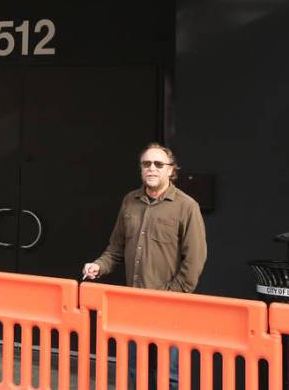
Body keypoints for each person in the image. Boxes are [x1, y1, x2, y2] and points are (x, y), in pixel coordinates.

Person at [82, 142, 207, 390]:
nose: (151, 168)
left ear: (171, 170)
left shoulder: (186, 206)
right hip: (133, 304)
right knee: (135, 371)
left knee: (170, 376)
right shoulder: (130, 201)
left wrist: (172, 296)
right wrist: (98, 265)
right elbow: (116, 248)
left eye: (158, 164)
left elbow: (195, 259)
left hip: (170, 305)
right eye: (146, 164)